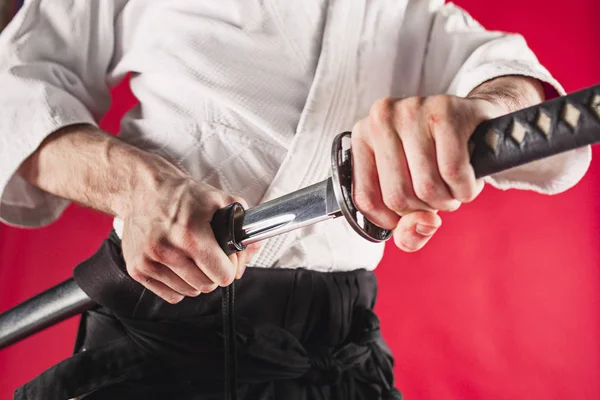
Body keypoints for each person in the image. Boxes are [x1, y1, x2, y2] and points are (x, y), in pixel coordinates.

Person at [0, 1, 591, 399]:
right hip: (159, 319)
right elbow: (16, 92)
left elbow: (514, 90)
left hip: (339, 352)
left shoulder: (413, 13)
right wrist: (138, 184)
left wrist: (483, 111)